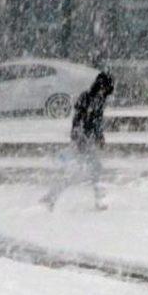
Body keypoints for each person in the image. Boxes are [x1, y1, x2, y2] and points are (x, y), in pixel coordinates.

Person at [40, 71, 114, 211]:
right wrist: (80, 138)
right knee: (91, 171)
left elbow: (95, 121)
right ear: (102, 86)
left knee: (89, 172)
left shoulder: (96, 98)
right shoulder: (89, 98)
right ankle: (98, 201)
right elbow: (80, 120)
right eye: (107, 87)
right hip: (83, 140)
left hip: (86, 139)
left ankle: (52, 196)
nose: (107, 91)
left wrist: (99, 136)